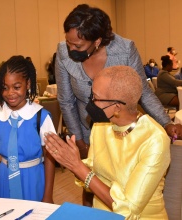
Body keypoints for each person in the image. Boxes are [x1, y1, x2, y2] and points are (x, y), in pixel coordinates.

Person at [55, 4, 179, 207]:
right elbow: (66, 100)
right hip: (86, 131)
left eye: (78, 46)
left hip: (121, 131)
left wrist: (166, 122)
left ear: (97, 41)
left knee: (123, 183)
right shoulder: (63, 52)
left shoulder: (125, 49)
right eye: (68, 42)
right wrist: (79, 141)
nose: (71, 49)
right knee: (89, 186)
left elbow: (143, 92)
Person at [44, 66, 171, 219]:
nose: (90, 103)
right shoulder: (101, 126)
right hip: (102, 215)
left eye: (95, 98)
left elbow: (128, 210)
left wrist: (78, 167)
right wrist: (73, 161)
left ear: (117, 107)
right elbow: (92, 180)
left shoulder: (154, 139)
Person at [0, 56, 56, 202]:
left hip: (33, 178)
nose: (10, 93)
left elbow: (49, 157)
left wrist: (48, 194)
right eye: (4, 88)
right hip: (4, 178)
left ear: (28, 84)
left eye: (17, 87)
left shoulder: (41, 117)